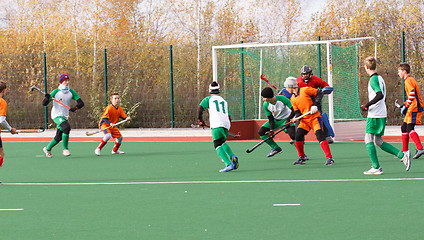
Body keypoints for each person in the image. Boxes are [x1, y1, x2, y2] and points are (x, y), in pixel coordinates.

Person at [360, 56, 410, 175]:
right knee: (377, 141)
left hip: (375, 114)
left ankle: (376, 167)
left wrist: (367, 105)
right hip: (381, 113)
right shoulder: (380, 78)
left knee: (368, 139)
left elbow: (379, 95)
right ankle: (402, 155)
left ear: (366, 67)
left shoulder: (373, 79)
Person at [284, 76, 334, 165]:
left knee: (320, 136)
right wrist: (296, 118)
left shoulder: (305, 90)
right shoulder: (292, 99)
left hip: (315, 118)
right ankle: (302, 157)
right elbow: (297, 112)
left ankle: (329, 158)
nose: (286, 89)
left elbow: (319, 93)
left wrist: (315, 105)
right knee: (298, 136)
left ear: (291, 87)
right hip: (304, 121)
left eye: (287, 87)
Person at [197, 82, 238, 172]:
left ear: (210, 90)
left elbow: (200, 109)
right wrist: (226, 127)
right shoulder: (224, 101)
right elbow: (229, 116)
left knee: (217, 144)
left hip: (217, 124)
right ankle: (232, 156)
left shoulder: (208, 99)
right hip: (226, 124)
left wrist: (200, 120)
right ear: (219, 90)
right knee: (222, 142)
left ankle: (228, 164)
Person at [42, 74, 84, 157]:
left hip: (65, 116)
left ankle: (47, 148)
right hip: (56, 115)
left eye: (68, 80)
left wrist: (75, 108)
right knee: (66, 127)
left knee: (59, 137)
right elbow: (44, 103)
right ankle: (65, 149)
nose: (67, 82)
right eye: (65, 81)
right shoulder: (56, 92)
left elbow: (81, 103)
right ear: (61, 82)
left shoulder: (71, 92)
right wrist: (47, 98)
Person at [292, 66, 335, 143]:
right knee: (299, 118)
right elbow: (293, 91)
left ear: (310, 73)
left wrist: (326, 88)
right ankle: (299, 138)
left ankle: (326, 136)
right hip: (302, 105)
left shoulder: (315, 79)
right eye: (303, 74)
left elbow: (325, 85)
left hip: (315, 104)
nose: (305, 75)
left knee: (320, 118)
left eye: (307, 74)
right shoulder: (298, 81)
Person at [259, 86, 301, 158]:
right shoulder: (266, 105)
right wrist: (272, 130)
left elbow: (294, 110)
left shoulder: (282, 99)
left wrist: (288, 121)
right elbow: (271, 119)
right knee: (261, 132)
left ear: (269, 97)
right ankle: (275, 148)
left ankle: (301, 155)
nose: (263, 99)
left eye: (264, 97)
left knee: (293, 135)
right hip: (275, 121)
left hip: (286, 119)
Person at [398, 63, 424, 159]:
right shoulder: (410, 80)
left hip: (414, 108)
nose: (398, 73)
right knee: (404, 128)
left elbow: (412, 94)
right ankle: (404, 152)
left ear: (404, 71)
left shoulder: (408, 80)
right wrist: (404, 104)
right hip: (412, 107)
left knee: (409, 129)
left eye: (399, 71)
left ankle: (420, 148)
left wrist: (407, 106)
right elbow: (412, 96)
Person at [0, 81, 17, 179]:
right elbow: (1, 120)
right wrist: (10, 129)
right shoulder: (2, 102)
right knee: (1, 154)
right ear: (4, 90)